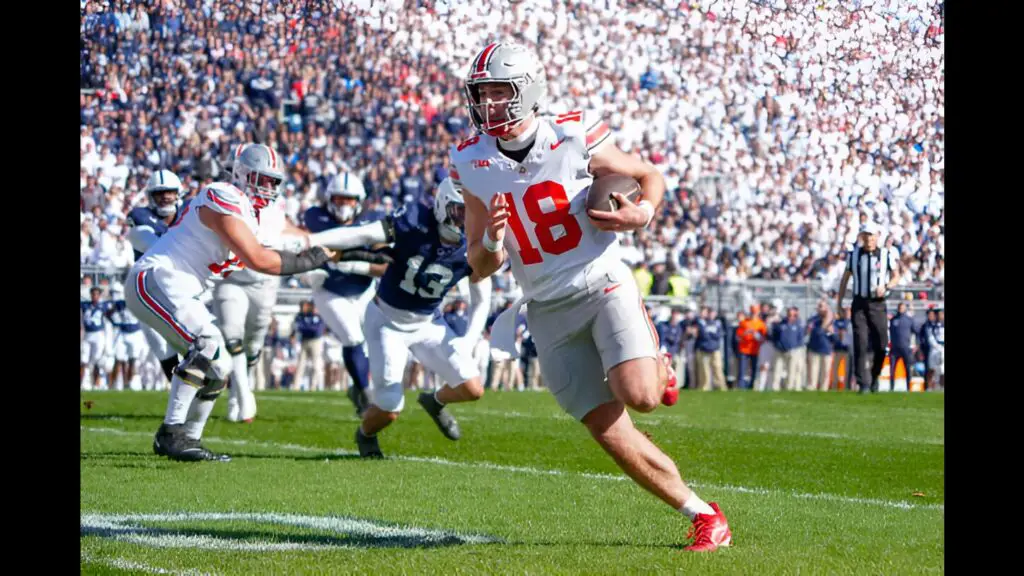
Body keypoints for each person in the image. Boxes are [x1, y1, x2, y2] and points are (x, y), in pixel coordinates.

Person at [450, 42, 729, 552]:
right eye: (481, 93)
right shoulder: (470, 160)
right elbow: (478, 264)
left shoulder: (571, 134)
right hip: (544, 306)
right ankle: (705, 515)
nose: (488, 104)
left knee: (641, 396)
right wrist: (491, 240)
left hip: (601, 280)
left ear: (529, 90)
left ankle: (657, 366)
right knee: (608, 430)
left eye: (499, 92)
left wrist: (642, 213)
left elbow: (649, 176)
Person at [126, 143, 334, 462]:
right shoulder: (221, 193)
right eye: (262, 179)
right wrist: (309, 260)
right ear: (240, 173)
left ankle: (188, 438)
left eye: (274, 181)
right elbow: (259, 259)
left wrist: (339, 253)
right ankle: (170, 433)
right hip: (158, 277)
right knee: (209, 346)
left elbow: (275, 248)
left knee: (219, 366)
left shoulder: (250, 215)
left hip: (180, 288)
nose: (269, 187)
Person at [312, 178, 492, 458]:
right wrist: (313, 240)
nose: (466, 221)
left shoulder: (473, 245)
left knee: (473, 389)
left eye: (473, 213)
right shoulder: (414, 220)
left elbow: (482, 297)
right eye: (461, 211)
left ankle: (433, 402)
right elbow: (365, 235)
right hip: (387, 320)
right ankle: (365, 434)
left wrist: (469, 341)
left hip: (429, 322)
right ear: (443, 205)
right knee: (389, 408)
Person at [304, 172, 389, 414]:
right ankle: (365, 395)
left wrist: (354, 265)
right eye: (339, 199)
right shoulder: (315, 217)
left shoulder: (372, 221)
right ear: (330, 198)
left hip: (364, 291)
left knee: (376, 342)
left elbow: (386, 265)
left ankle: (359, 388)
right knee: (352, 338)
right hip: (329, 289)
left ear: (359, 201)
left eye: (349, 200)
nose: (343, 205)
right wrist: (306, 270)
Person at [126, 169, 187, 386]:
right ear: (151, 195)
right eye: (160, 193)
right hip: (147, 289)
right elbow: (153, 244)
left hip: (181, 287)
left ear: (177, 192)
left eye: (169, 192)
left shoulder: (188, 213)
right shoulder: (139, 216)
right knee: (162, 348)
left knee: (187, 342)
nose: (166, 197)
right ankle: (181, 391)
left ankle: (198, 389)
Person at [836, 223, 901, 393]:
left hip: (878, 304)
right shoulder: (854, 255)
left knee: (881, 344)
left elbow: (896, 276)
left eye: (872, 236)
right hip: (859, 303)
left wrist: (886, 286)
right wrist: (839, 302)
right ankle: (862, 383)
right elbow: (844, 279)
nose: (869, 239)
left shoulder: (886, 255)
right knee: (860, 342)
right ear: (862, 237)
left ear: (877, 237)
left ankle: (874, 376)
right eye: (866, 236)